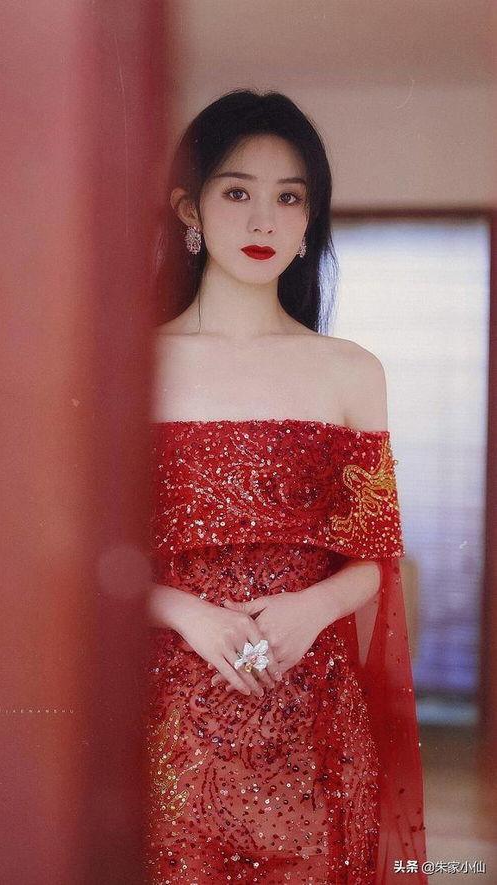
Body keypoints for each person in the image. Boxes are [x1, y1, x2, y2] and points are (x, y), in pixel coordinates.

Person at [145, 89, 428, 884]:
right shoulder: (128, 367)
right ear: (189, 208)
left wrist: (311, 608)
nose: (264, 220)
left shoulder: (351, 371)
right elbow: (81, 552)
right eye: (237, 193)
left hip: (316, 733)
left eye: (289, 198)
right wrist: (185, 612)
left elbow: (375, 557)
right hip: (165, 731)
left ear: (311, 221)